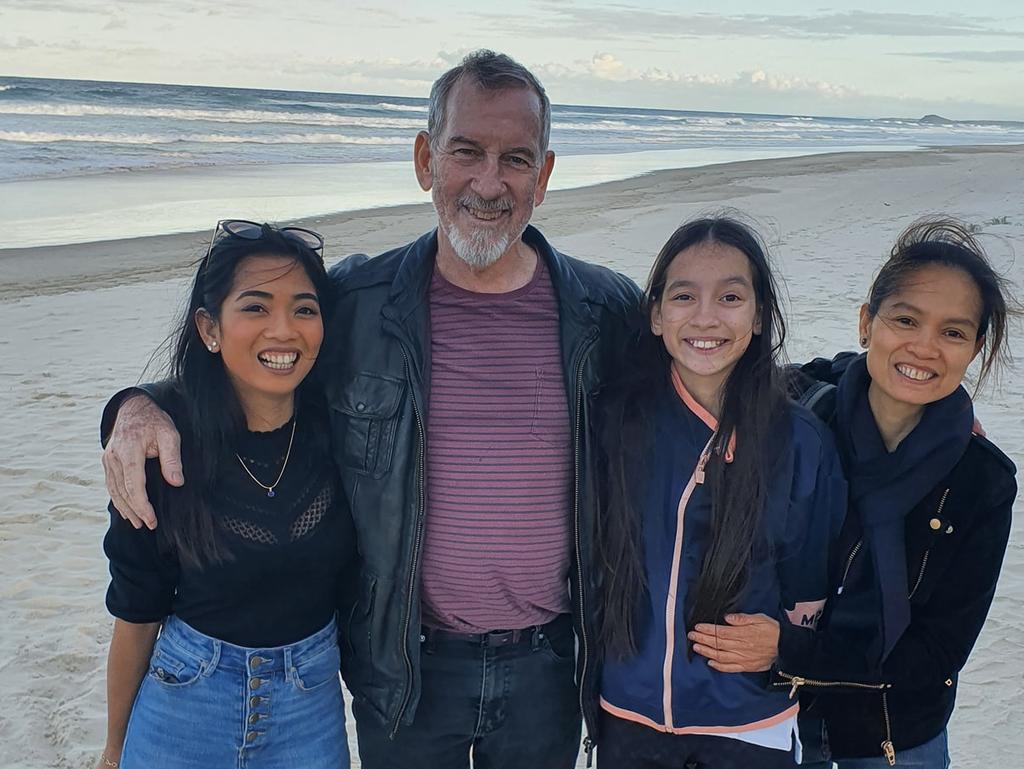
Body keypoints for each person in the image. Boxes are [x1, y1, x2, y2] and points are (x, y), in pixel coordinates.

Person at [98, 52, 641, 768]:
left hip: (550, 663)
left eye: (515, 159)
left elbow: (712, 380)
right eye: (466, 152)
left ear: (543, 175)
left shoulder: (606, 312)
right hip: (406, 664)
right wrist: (134, 406)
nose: (489, 182)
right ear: (425, 159)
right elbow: (249, 363)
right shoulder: (355, 304)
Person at [688, 218, 1018, 768]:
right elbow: (696, 378)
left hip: (891, 736)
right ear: (867, 323)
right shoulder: (798, 407)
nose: (924, 347)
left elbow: (937, 655)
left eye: (953, 333)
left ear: (975, 349)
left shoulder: (981, 480)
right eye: (905, 319)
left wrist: (787, 650)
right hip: (776, 718)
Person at [98, 221, 354, 769]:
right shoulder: (162, 449)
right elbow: (136, 610)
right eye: (256, 308)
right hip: (186, 700)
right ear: (209, 329)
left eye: (304, 309)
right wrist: (115, 745)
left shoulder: (345, 433)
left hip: (310, 707)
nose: (283, 330)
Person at [594, 217, 847, 768]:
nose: (706, 317)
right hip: (627, 717)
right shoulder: (615, 422)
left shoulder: (802, 441)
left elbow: (810, 587)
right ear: (657, 315)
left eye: (731, 296)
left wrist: (783, 645)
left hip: (750, 722)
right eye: (684, 296)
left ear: (758, 317)